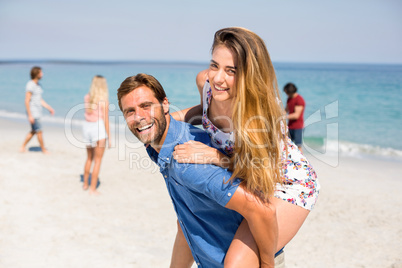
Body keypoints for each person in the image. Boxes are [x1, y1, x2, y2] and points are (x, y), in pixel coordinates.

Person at [171, 27, 320, 267]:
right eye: (215, 65)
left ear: (250, 74)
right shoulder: (206, 81)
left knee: (236, 263)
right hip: (239, 170)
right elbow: (204, 111)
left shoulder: (260, 116)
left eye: (232, 71)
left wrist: (214, 156)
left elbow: (261, 172)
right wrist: (167, 119)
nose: (218, 78)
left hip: (282, 184)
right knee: (186, 223)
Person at [117, 73, 283, 267]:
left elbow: (262, 210)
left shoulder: (187, 162)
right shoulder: (159, 145)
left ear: (165, 104)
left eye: (146, 106)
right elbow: (186, 222)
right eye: (130, 111)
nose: (139, 117)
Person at [82, 75, 111, 195]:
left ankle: (85, 184)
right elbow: (106, 121)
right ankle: (93, 188)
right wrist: (109, 137)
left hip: (87, 127)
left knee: (89, 158)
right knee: (98, 160)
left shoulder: (87, 98)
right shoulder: (104, 101)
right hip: (98, 128)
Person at [20, 66, 55, 154]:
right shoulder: (30, 85)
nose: (42, 74)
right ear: (37, 74)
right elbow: (26, 101)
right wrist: (30, 115)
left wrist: (49, 108)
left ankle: (22, 147)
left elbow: (40, 100)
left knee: (34, 131)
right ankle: (43, 149)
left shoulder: (38, 85)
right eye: (41, 72)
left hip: (37, 112)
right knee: (39, 131)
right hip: (33, 112)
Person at [283, 82, 305, 153]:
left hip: (298, 126)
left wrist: (284, 117)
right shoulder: (289, 99)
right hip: (290, 126)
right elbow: (286, 110)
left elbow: (296, 115)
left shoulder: (299, 100)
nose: (285, 94)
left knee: (298, 146)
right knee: (288, 144)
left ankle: (302, 162)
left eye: (286, 92)